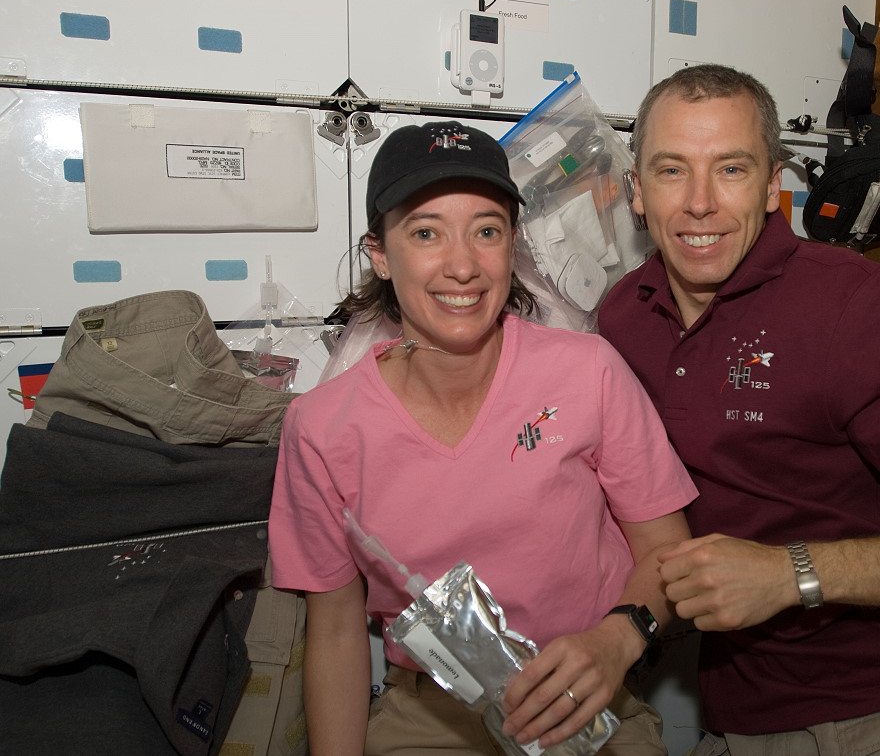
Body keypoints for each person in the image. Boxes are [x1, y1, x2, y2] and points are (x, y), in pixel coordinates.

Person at [597, 64, 880, 755]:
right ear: (637, 191)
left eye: (731, 169)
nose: (700, 203)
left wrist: (791, 574)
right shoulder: (622, 321)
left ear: (772, 185)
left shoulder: (854, 305)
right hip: (737, 718)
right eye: (672, 171)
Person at [268, 120, 696, 755]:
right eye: (426, 233)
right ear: (379, 254)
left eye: (487, 231)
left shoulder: (589, 372)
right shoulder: (322, 428)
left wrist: (617, 639)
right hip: (432, 720)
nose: (463, 265)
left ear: (512, 245)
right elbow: (334, 632)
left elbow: (667, 548)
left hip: (589, 702)